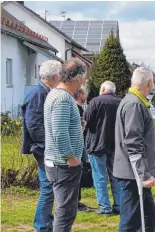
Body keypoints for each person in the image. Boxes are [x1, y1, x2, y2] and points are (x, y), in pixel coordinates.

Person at [43, 58, 87, 232]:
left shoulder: (57, 94)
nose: (84, 81)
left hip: (60, 163)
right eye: (84, 77)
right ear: (78, 78)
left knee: (64, 211)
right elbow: (59, 132)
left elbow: (62, 127)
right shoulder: (62, 98)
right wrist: (71, 158)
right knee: (66, 212)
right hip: (64, 165)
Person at [114, 67, 155, 232]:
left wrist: (151, 168)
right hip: (131, 174)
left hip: (133, 172)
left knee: (148, 216)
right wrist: (144, 174)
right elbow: (133, 142)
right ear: (150, 83)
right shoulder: (134, 104)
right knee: (131, 221)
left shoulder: (134, 101)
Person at [21, 60, 61, 232]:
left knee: (50, 186)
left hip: (44, 147)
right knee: (48, 187)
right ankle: (42, 225)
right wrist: (48, 144)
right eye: (59, 75)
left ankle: (45, 221)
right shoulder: (38, 94)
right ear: (53, 76)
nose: (61, 78)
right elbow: (34, 125)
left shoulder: (44, 91)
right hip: (42, 148)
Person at [84, 81, 122, 215]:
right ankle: (119, 205)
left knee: (99, 176)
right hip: (115, 145)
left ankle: (105, 207)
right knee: (116, 176)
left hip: (96, 144)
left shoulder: (95, 101)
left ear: (103, 89)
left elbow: (86, 120)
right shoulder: (120, 102)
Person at [74, 86, 91, 213]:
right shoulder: (77, 108)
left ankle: (76, 200)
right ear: (80, 94)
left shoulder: (77, 108)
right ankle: (75, 202)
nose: (86, 97)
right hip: (77, 146)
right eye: (85, 94)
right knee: (76, 174)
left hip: (78, 145)